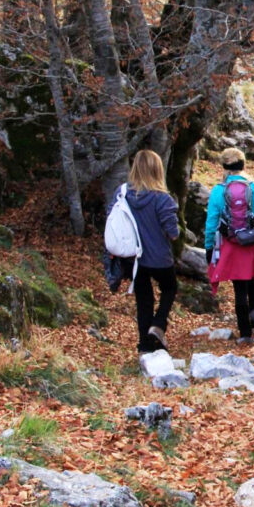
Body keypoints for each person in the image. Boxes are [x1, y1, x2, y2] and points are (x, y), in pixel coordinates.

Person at [204, 148, 254, 344]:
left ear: (224, 166)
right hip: (253, 242)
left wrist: (209, 248)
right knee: (253, 274)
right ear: (243, 165)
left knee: (239, 287)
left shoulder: (218, 191)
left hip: (231, 244)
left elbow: (211, 223)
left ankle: (244, 332)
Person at [110, 150, 179, 354]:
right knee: (169, 287)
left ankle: (144, 346)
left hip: (132, 258)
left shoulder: (121, 193)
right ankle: (158, 325)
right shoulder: (163, 199)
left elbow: (112, 219)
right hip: (159, 257)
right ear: (158, 170)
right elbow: (173, 233)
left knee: (144, 299)